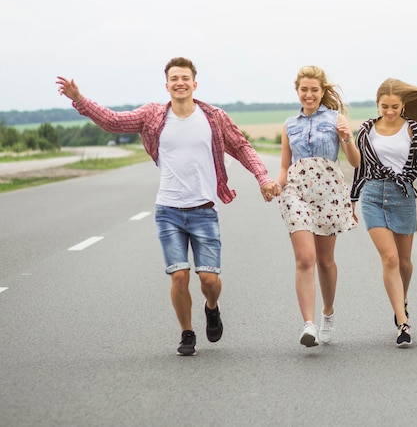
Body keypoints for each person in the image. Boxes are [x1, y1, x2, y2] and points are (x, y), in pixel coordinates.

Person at [56, 57, 279, 356]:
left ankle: (211, 307)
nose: (180, 83)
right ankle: (187, 333)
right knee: (179, 275)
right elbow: (113, 121)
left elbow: (241, 147)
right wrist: (79, 99)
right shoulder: (153, 116)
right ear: (167, 85)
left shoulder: (213, 117)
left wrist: (263, 177)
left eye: (185, 78)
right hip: (168, 211)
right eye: (174, 78)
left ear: (194, 84)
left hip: (203, 210)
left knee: (210, 280)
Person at [275, 65, 360, 348]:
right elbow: (285, 166)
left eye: (314, 90)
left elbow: (354, 161)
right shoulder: (289, 124)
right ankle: (308, 324)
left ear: (322, 92)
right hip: (296, 192)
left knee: (325, 261)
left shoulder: (336, 118)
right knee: (305, 258)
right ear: (297, 91)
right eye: (304, 90)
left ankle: (328, 313)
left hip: (329, 193)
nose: (309, 95)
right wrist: (275, 185)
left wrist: (347, 137)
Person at [350, 78, 417, 347]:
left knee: (404, 262)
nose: (389, 112)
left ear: (403, 105)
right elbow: (360, 167)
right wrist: (353, 198)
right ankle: (403, 322)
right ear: (377, 104)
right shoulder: (366, 130)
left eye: (395, 106)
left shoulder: (415, 131)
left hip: (403, 196)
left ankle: (402, 299)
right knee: (389, 258)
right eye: (384, 106)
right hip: (373, 195)